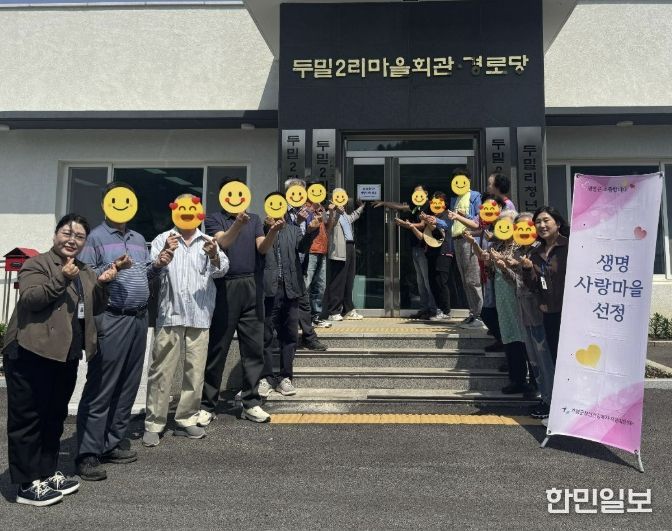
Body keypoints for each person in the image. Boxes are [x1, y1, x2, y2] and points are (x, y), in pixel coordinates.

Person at [3, 214, 117, 506]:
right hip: (30, 350)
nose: (72, 240)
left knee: (54, 416)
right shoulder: (37, 264)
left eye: (79, 236)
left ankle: (46, 471)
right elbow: (31, 299)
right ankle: (27, 484)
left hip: (65, 353)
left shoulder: (85, 271)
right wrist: (62, 277)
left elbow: (94, 307)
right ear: (55, 235)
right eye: (67, 233)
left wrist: (103, 285)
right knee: (29, 418)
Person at [76, 183, 175, 481]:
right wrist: (112, 270)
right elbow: (85, 279)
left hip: (138, 318)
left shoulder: (138, 238)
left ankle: (112, 442)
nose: (122, 205)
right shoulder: (94, 237)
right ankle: (87, 452)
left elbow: (144, 273)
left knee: (128, 384)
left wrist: (158, 265)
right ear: (105, 204)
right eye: (115, 200)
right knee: (102, 385)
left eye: (127, 200)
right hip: (111, 317)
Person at [142, 195, 229, 447]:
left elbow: (222, 269)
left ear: (200, 212)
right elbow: (151, 271)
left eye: (193, 209)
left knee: (195, 371)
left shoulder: (209, 241)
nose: (188, 213)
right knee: (161, 370)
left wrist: (214, 255)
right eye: (183, 208)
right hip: (170, 313)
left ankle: (187, 418)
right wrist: (163, 257)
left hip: (200, 315)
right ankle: (154, 422)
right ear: (175, 211)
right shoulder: (162, 239)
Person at [200, 180, 280, 425]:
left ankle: (251, 402)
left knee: (253, 347)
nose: (235, 197)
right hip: (225, 287)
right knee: (218, 347)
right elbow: (222, 243)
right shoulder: (214, 219)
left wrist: (274, 231)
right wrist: (237, 223)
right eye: (230, 193)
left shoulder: (254, 219)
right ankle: (207, 404)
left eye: (240, 193)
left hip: (252, 285)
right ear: (222, 196)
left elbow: (262, 248)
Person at [465, 210, 531, 395]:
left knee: (523, 339)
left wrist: (505, 263)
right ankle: (516, 379)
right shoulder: (500, 245)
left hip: (518, 299)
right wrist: (473, 243)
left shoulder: (521, 246)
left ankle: (529, 381)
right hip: (502, 300)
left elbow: (523, 274)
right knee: (509, 337)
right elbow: (486, 259)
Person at [258, 203, 320, 397]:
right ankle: (266, 378)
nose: (276, 210)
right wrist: (269, 229)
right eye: (271, 206)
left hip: (291, 289)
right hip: (268, 291)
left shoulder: (293, 230)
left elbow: (303, 248)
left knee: (290, 336)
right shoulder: (260, 231)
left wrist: (310, 231)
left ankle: (286, 377)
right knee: (266, 335)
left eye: (279, 206)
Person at [502, 212, 556, 419]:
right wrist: (505, 268)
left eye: (528, 227)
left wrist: (524, 267)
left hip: (540, 312)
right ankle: (544, 397)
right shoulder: (520, 251)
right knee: (534, 359)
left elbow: (541, 282)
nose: (523, 231)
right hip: (524, 311)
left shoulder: (540, 251)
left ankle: (551, 401)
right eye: (519, 228)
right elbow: (517, 283)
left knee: (545, 358)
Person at [434, 168, 484, 329]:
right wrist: (435, 221)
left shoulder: (474, 196)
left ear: (468, 180)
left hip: (469, 239)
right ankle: (473, 313)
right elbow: (450, 224)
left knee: (473, 279)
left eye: (461, 179)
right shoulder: (455, 199)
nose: (458, 183)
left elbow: (479, 220)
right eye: (455, 180)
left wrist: (462, 216)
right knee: (465, 279)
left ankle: (480, 315)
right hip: (456, 240)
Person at [284, 178, 328, 351]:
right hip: (284, 267)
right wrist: (298, 222)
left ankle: (309, 337)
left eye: (301, 192)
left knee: (303, 302)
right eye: (295, 191)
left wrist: (312, 227)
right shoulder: (281, 210)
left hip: (301, 263)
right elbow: (285, 237)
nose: (298, 195)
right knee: (288, 304)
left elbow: (306, 239)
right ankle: (295, 337)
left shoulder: (306, 211)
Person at [522, 206, 570, 364]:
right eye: (538, 222)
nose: (542, 225)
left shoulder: (572, 247)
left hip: (570, 313)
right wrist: (527, 269)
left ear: (558, 223)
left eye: (546, 220)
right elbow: (533, 285)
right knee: (556, 357)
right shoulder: (535, 252)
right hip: (549, 313)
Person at [319, 199, 366, 321]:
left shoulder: (344, 214)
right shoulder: (329, 213)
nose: (342, 202)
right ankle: (333, 311)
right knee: (338, 281)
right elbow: (329, 226)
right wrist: (335, 212)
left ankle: (348, 309)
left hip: (350, 246)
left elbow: (352, 217)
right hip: (339, 250)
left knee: (349, 280)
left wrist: (361, 207)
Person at [304, 196, 331, 329]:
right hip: (310, 250)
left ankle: (316, 317)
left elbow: (328, 226)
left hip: (322, 250)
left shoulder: (321, 209)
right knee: (306, 284)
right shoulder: (305, 208)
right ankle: (302, 318)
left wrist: (330, 212)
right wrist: (313, 209)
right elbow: (306, 227)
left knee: (320, 286)